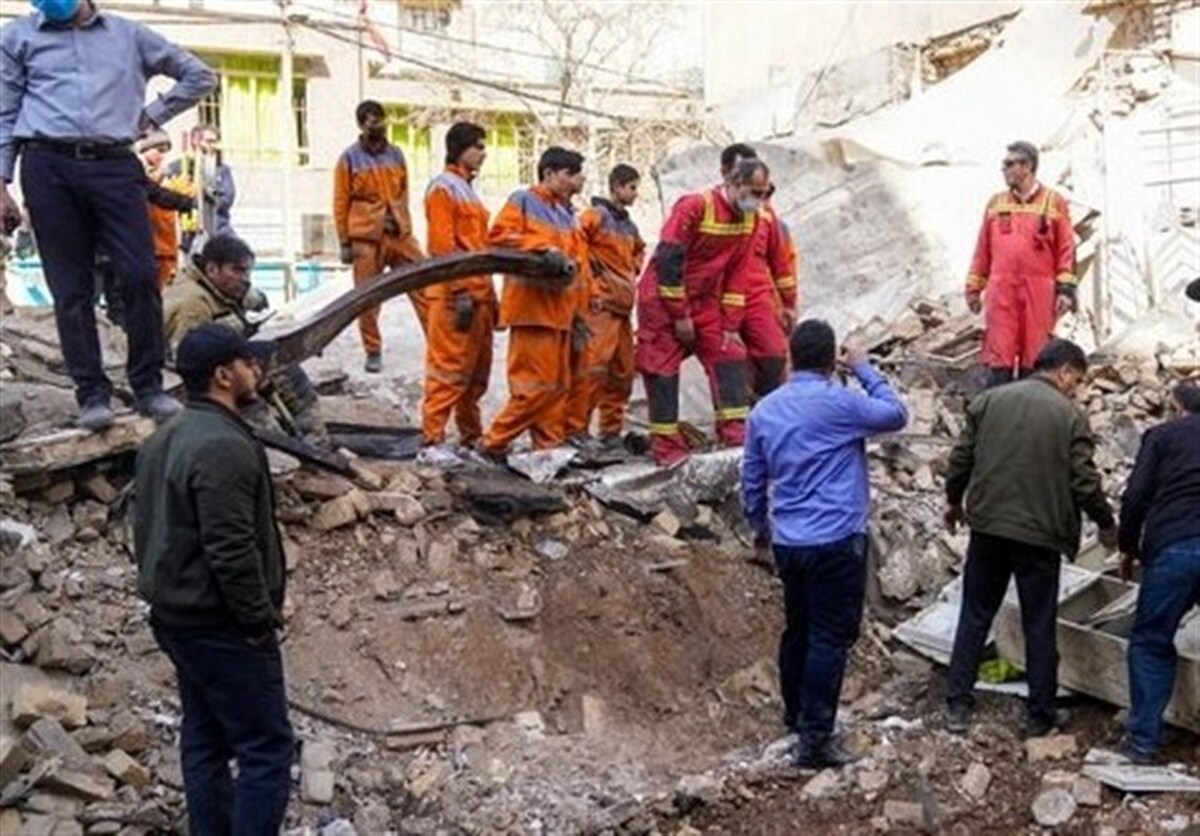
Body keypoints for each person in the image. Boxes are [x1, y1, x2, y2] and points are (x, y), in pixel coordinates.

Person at [0, 0, 216, 430]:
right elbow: (3, 114)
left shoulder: (129, 35)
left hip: (115, 165)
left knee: (139, 275)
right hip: (47, 166)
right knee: (70, 289)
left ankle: (148, 387)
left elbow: (200, 75)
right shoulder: (17, 37)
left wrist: (151, 116)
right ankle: (92, 395)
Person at [133, 323, 293, 836]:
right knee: (266, 750)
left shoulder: (164, 438)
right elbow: (230, 549)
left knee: (205, 739)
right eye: (249, 363)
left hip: (178, 618)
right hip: (219, 624)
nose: (257, 371)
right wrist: (256, 621)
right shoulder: (222, 446)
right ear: (224, 375)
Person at [742, 320, 907, 768]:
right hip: (836, 538)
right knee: (829, 638)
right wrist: (864, 369)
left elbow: (752, 480)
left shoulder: (765, 411)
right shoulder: (841, 403)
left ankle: (796, 716)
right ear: (831, 358)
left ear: (792, 357)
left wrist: (760, 530)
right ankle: (815, 739)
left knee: (798, 628)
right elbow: (895, 414)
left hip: (790, 541)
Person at [943, 338, 1117, 737]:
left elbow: (961, 459)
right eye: (1078, 379)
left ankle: (957, 704)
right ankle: (1040, 713)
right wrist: (1106, 524)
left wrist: (954, 501)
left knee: (975, 613)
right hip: (1040, 536)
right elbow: (1084, 481)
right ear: (1064, 371)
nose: (1077, 388)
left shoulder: (990, 401)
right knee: (1039, 622)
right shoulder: (1070, 416)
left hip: (988, 528)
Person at [635, 158, 767, 465]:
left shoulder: (751, 220)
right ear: (733, 184)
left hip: (705, 299)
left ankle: (734, 430)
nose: (758, 200)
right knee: (661, 367)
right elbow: (668, 262)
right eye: (753, 191)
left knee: (729, 355)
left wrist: (732, 324)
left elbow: (738, 273)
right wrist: (679, 314)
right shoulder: (694, 207)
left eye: (763, 193)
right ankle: (666, 446)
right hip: (662, 299)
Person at [163, 234, 326, 444]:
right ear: (212, 269)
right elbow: (189, 362)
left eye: (248, 271)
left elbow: (253, 298)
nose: (246, 278)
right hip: (187, 381)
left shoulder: (219, 285)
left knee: (282, 364)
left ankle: (311, 437)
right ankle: (277, 445)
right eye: (238, 271)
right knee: (250, 386)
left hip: (219, 367)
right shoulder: (192, 304)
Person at [481, 146, 588, 457]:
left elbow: (577, 268)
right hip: (532, 311)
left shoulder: (568, 215)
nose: (575, 181)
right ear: (549, 173)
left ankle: (548, 449)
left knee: (555, 390)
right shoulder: (524, 201)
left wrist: (578, 314)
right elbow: (499, 236)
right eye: (570, 174)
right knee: (532, 390)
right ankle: (492, 443)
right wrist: (542, 248)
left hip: (559, 313)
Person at [1118, 382, 1200, 763]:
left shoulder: (1162, 436)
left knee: (1151, 641)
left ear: (1179, 407)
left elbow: (1135, 496)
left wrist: (1128, 546)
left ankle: (1143, 742)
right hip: (1179, 544)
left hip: (1175, 545)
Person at [965, 141, 1077, 387]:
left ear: (1027, 166)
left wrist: (1065, 290)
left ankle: (1030, 413)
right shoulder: (996, 203)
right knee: (999, 354)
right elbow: (982, 249)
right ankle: (1000, 412)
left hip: (1039, 291)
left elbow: (1066, 250)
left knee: (1035, 354)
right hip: (1001, 289)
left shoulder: (1054, 202)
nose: (1003, 169)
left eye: (1009, 164)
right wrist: (974, 287)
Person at [333, 100, 425, 373]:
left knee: (424, 283)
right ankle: (372, 350)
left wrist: (404, 224)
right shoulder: (348, 158)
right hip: (365, 236)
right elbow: (340, 201)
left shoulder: (396, 154)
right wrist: (344, 241)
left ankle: (439, 342)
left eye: (381, 120)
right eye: (373, 121)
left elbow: (404, 191)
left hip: (397, 232)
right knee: (367, 298)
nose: (379, 126)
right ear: (362, 125)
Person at [421, 122, 494, 448]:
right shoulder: (443, 188)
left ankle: (470, 438)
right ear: (460, 148)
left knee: (474, 377)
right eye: (477, 146)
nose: (483, 153)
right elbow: (442, 247)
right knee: (447, 373)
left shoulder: (467, 191)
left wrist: (490, 298)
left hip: (476, 295)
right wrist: (460, 289)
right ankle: (432, 440)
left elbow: (480, 249)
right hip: (454, 297)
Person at [564, 163, 645, 446]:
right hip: (601, 307)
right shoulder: (596, 216)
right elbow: (575, 240)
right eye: (632, 187)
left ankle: (610, 432)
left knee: (622, 372)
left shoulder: (628, 226)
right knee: (592, 370)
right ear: (617, 187)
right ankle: (575, 430)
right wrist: (594, 279)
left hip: (621, 309)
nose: (635, 194)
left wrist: (631, 271)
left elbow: (639, 250)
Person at [720, 145, 798, 399]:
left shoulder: (766, 218)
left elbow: (782, 263)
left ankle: (766, 408)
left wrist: (788, 303)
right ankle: (735, 425)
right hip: (719, 295)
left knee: (773, 353)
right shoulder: (706, 209)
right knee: (727, 357)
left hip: (757, 296)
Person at [170, 123, 236, 252]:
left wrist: (205, 196)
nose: (213, 146)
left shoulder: (222, 170)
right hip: (188, 232)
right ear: (195, 141)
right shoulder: (178, 168)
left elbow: (226, 199)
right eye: (209, 141)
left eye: (215, 142)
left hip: (219, 230)